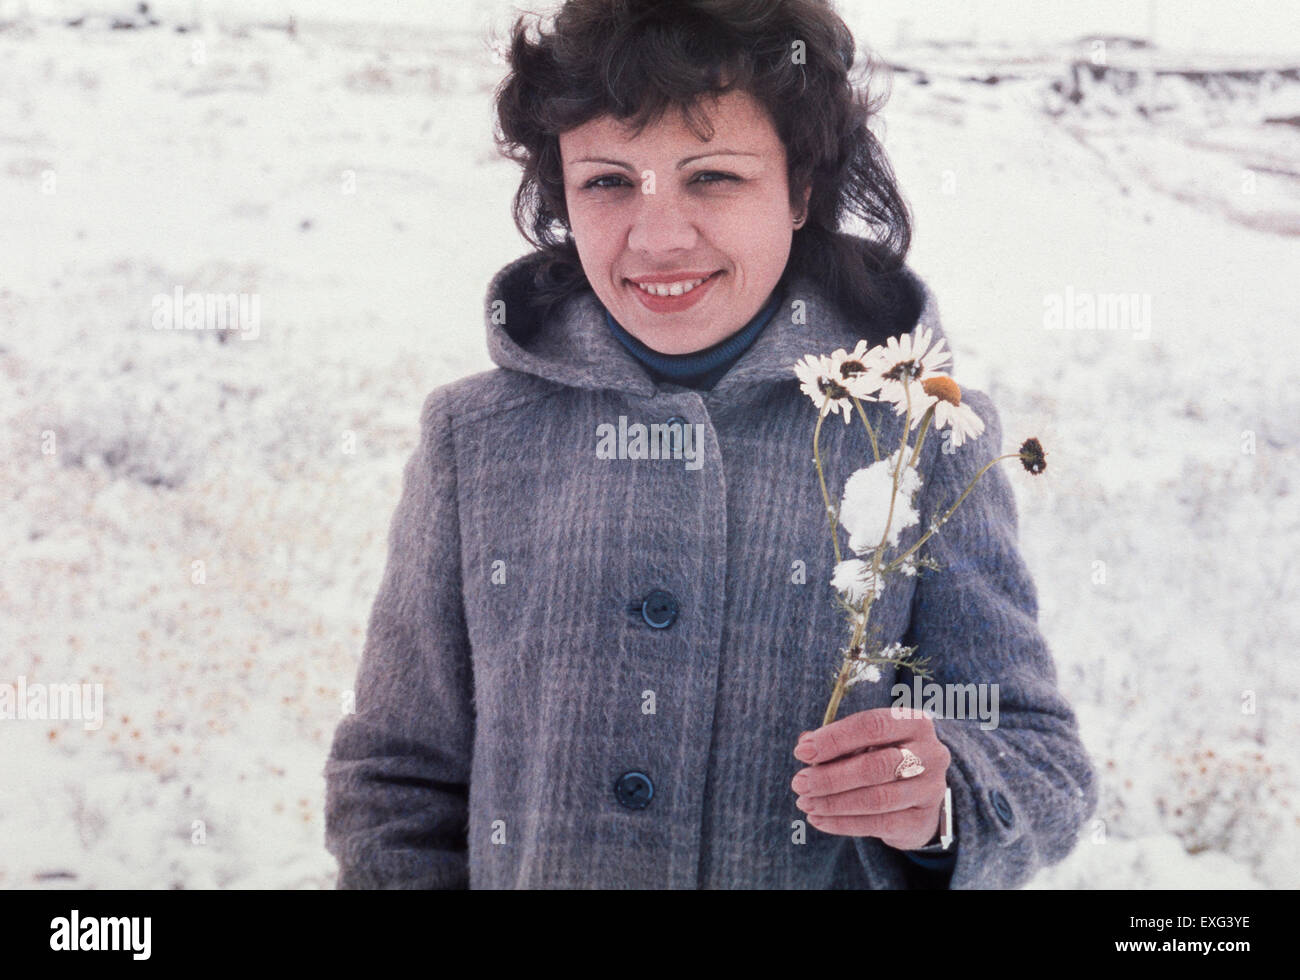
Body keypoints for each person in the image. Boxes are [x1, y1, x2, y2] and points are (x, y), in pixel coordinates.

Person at [323, 0, 1097, 889]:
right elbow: (396, 782)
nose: (658, 239)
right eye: (608, 183)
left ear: (801, 190)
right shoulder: (473, 440)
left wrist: (941, 798)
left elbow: (1039, 764)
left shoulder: (919, 436)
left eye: (714, 177)